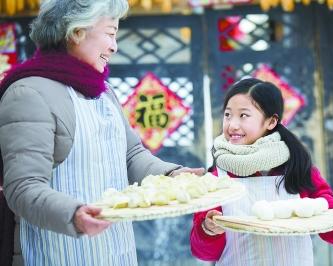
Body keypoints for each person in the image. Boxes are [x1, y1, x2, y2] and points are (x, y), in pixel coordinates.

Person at [0, 0, 204, 265]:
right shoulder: (29, 93)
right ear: (76, 32)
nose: (114, 46)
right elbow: (23, 187)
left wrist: (172, 175)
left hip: (115, 250)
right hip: (58, 252)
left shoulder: (104, 92)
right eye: (110, 33)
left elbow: (131, 155)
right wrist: (75, 214)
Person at [190, 78, 333, 266]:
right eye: (228, 115)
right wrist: (207, 229)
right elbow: (203, 252)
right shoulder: (216, 178)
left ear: (271, 121)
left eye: (243, 116)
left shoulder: (296, 168)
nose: (232, 125)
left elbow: (330, 225)